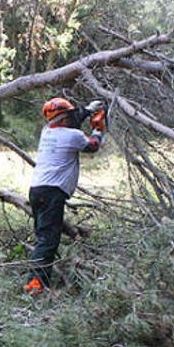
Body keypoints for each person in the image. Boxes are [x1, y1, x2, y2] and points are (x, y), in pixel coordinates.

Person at [24, 98, 106, 296]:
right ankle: (35, 285)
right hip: (52, 193)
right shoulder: (73, 136)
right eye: (69, 115)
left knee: (43, 236)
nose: (72, 118)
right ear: (63, 118)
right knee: (48, 240)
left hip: (37, 190)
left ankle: (41, 280)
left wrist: (87, 110)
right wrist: (98, 130)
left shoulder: (47, 132)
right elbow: (93, 146)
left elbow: (71, 120)